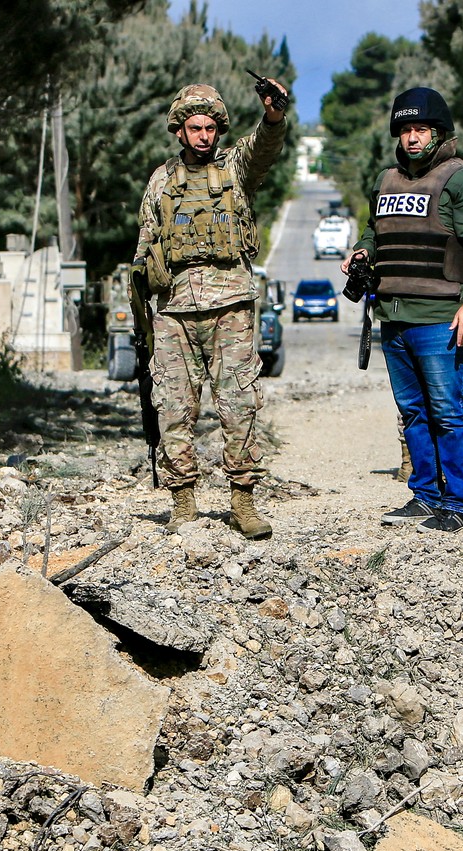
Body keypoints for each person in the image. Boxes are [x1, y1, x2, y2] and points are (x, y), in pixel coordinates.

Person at [133, 79, 287, 539]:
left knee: (239, 402)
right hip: (174, 311)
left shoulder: (235, 168)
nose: (203, 136)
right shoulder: (160, 180)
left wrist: (274, 115)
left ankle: (243, 501)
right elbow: (145, 245)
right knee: (173, 406)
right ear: (179, 130)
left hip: (230, 307)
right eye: (194, 128)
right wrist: (141, 308)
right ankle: (183, 501)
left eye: (210, 128)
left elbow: (263, 148)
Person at [344, 87, 463, 533]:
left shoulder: (459, 178)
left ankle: (457, 502)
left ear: (439, 133)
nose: (412, 138)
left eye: (421, 129)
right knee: (412, 411)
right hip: (393, 317)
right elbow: (374, 231)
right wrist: (362, 250)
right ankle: (425, 494)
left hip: (440, 319)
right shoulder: (385, 180)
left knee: (448, 411)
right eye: (406, 129)